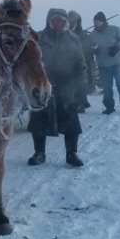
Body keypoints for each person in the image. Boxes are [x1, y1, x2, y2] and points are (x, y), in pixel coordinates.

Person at [28, 8, 88, 167]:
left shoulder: (74, 39)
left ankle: (71, 154)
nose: (57, 24)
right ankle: (39, 153)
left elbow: (81, 66)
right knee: (39, 121)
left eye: (61, 21)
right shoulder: (38, 38)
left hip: (67, 86)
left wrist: (81, 91)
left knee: (70, 121)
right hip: (43, 85)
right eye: (54, 21)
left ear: (66, 22)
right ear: (49, 22)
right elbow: (31, 62)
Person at [89, 12, 120, 114]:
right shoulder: (92, 34)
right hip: (103, 65)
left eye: (97, 21)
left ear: (103, 21)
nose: (95, 23)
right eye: (94, 21)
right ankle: (109, 107)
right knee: (107, 88)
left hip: (117, 62)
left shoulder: (115, 29)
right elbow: (90, 46)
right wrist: (93, 51)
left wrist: (117, 48)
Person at [68, 10, 96, 110]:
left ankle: (81, 104)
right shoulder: (64, 33)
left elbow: (88, 48)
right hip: (67, 64)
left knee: (80, 85)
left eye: (73, 22)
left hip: (80, 64)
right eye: (69, 21)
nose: (71, 24)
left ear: (77, 22)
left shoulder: (82, 34)